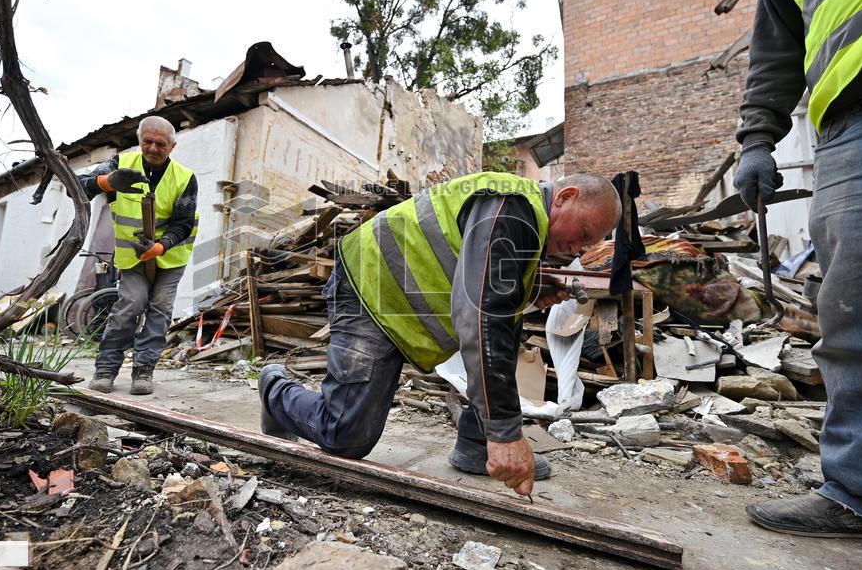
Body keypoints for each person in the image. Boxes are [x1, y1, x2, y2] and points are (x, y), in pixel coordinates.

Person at [258, 172, 621, 496]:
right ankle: (275, 390)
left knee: (506, 330)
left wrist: (529, 286)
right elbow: (481, 315)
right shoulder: (513, 209)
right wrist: (506, 434)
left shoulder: (523, 222)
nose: (577, 249)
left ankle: (475, 444)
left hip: (398, 301)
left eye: (586, 245)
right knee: (344, 435)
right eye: (584, 233)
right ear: (565, 196)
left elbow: (477, 283)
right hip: (371, 288)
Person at [733, 0, 862, 537]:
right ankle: (856, 492)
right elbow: (775, 52)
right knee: (850, 315)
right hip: (850, 128)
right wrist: (757, 138)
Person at [81, 116, 198, 395]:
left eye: (161, 143)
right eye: (148, 141)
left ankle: (144, 371)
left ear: (172, 146)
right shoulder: (120, 165)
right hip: (132, 256)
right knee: (129, 305)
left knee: (159, 309)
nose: (153, 148)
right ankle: (106, 370)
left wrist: (161, 246)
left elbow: (183, 222)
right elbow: (81, 184)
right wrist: (107, 183)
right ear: (139, 140)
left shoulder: (184, 178)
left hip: (170, 256)